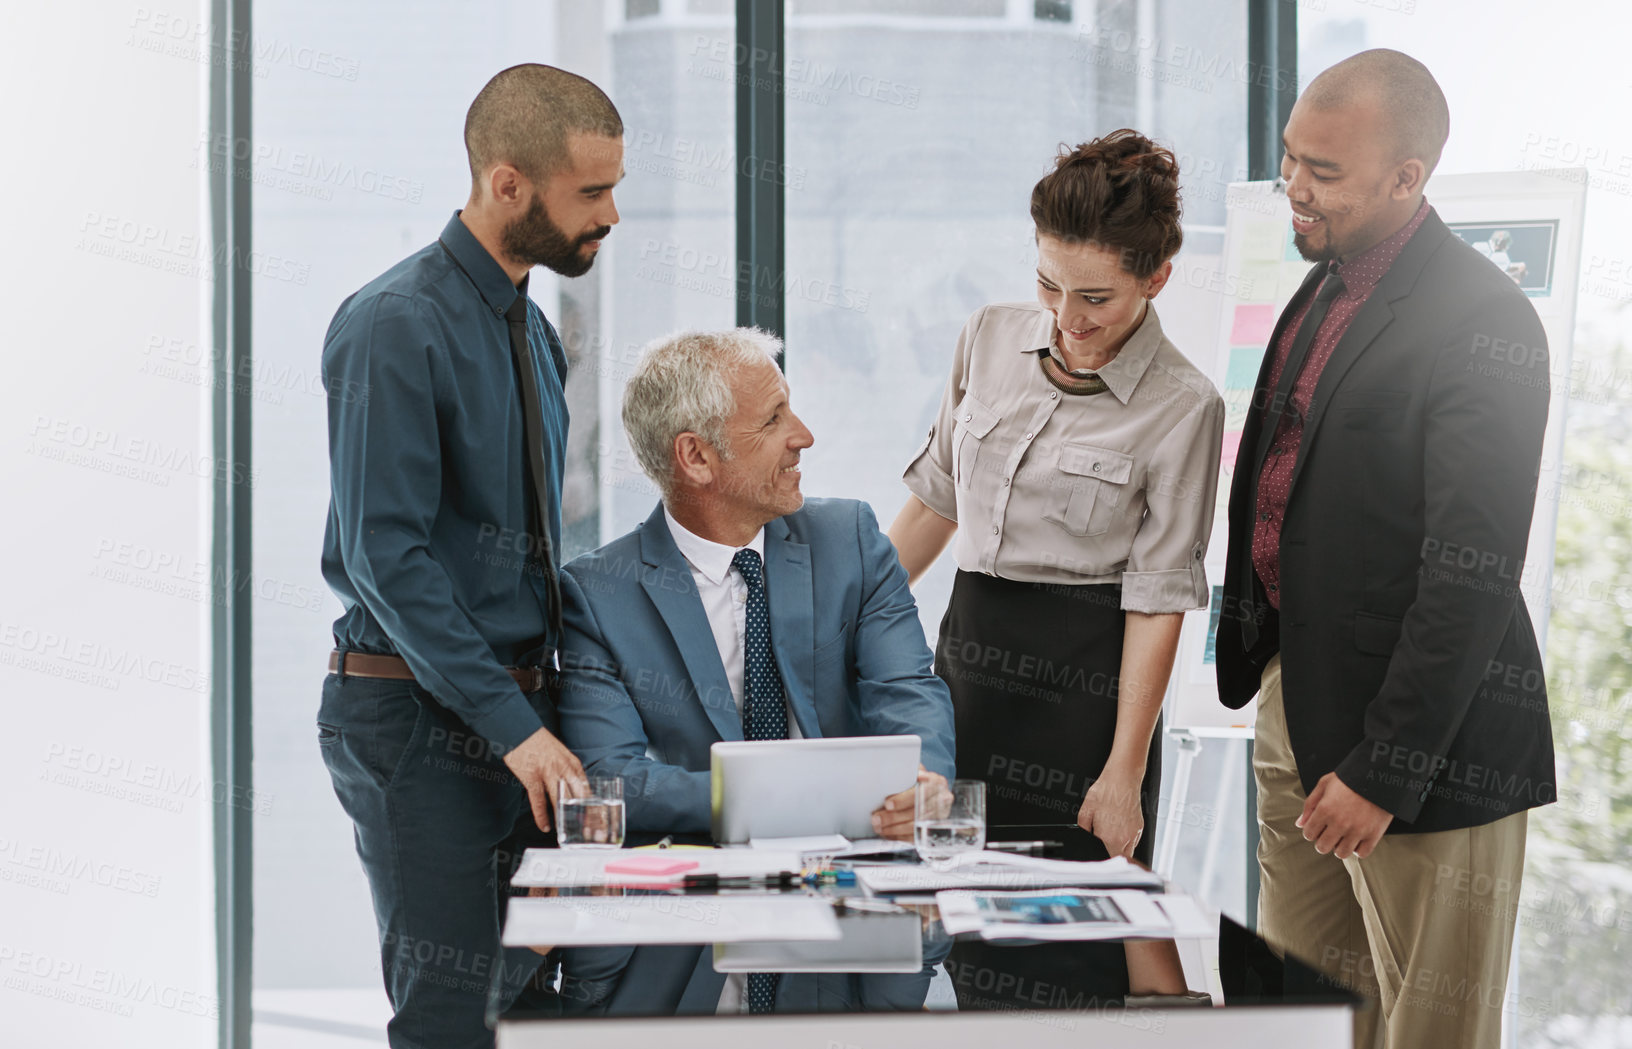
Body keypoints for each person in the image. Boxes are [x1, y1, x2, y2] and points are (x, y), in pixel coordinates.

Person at [1215, 50, 1556, 1049]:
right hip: (1295, 704)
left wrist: (1383, 768)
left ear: (1406, 176)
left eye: (1322, 169)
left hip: (1424, 744)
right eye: (1288, 160)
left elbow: (1471, 569)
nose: (1295, 187)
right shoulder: (1320, 287)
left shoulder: (1483, 318)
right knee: (1306, 1014)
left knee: (1429, 1030)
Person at [314, 64, 623, 1049]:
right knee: (450, 1019)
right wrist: (511, 723)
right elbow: (385, 556)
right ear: (506, 184)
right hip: (415, 720)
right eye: (590, 192)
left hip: (522, 720)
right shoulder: (394, 323)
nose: (609, 214)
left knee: (535, 1011)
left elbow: (534, 553)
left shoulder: (532, 330)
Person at [888, 130, 1221, 1009]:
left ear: (1156, 278)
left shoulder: (1185, 405)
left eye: (1097, 297)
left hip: (1083, 704)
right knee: (971, 951)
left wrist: (1122, 771)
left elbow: (1157, 600)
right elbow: (936, 501)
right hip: (965, 680)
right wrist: (847, 623)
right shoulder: (989, 338)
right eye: (1049, 285)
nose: (1068, 318)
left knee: (1070, 967)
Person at [555, 327, 956, 1015]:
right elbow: (609, 779)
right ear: (697, 457)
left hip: (850, 923)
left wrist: (924, 783)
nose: (803, 434)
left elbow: (910, 691)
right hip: (693, 940)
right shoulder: (600, 591)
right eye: (773, 419)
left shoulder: (853, 543)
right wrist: (792, 796)